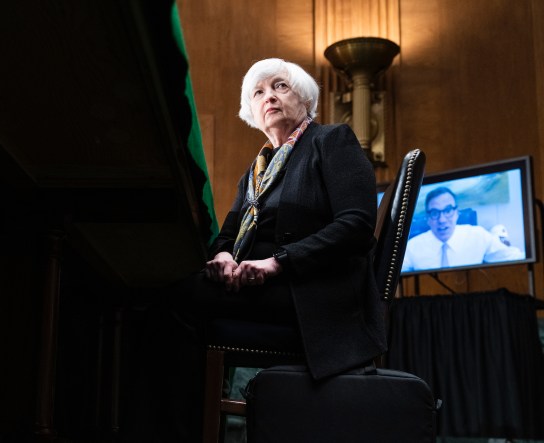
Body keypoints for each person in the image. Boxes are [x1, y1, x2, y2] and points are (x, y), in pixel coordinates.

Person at [121, 58, 386, 442]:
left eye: (280, 86)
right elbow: (226, 236)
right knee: (158, 300)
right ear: (251, 112)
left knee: (173, 306)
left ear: (305, 98)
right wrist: (223, 257)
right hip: (265, 291)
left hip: (314, 299)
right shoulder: (257, 170)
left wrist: (278, 264)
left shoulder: (332, 141)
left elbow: (357, 227)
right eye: (258, 93)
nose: (269, 97)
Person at [401, 186, 524, 272]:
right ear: (428, 218)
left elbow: (514, 257)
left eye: (448, 211)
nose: (442, 220)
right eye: (434, 213)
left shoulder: (477, 235)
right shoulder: (412, 247)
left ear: (457, 213)